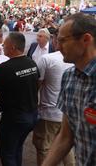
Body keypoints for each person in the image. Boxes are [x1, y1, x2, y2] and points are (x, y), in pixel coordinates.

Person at [42, 13, 96, 166]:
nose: (57, 47)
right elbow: (66, 136)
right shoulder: (69, 77)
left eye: (63, 41)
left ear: (86, 39)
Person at [0, 32, 39, 166]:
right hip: (32, 115)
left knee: (7, 153)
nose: (3, 46)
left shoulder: (4, 68)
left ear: (12, 47)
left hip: (13, 118)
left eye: (5, 44)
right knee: (17, 148)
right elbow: (37, 85)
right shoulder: (32, 64)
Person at [32, 29, 75, 165]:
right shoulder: (77, 59)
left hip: (48, 113)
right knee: (66, 147)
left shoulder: (47, 59)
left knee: (44, 148)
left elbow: (36, 86)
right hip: (67, 113)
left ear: (55, 40)